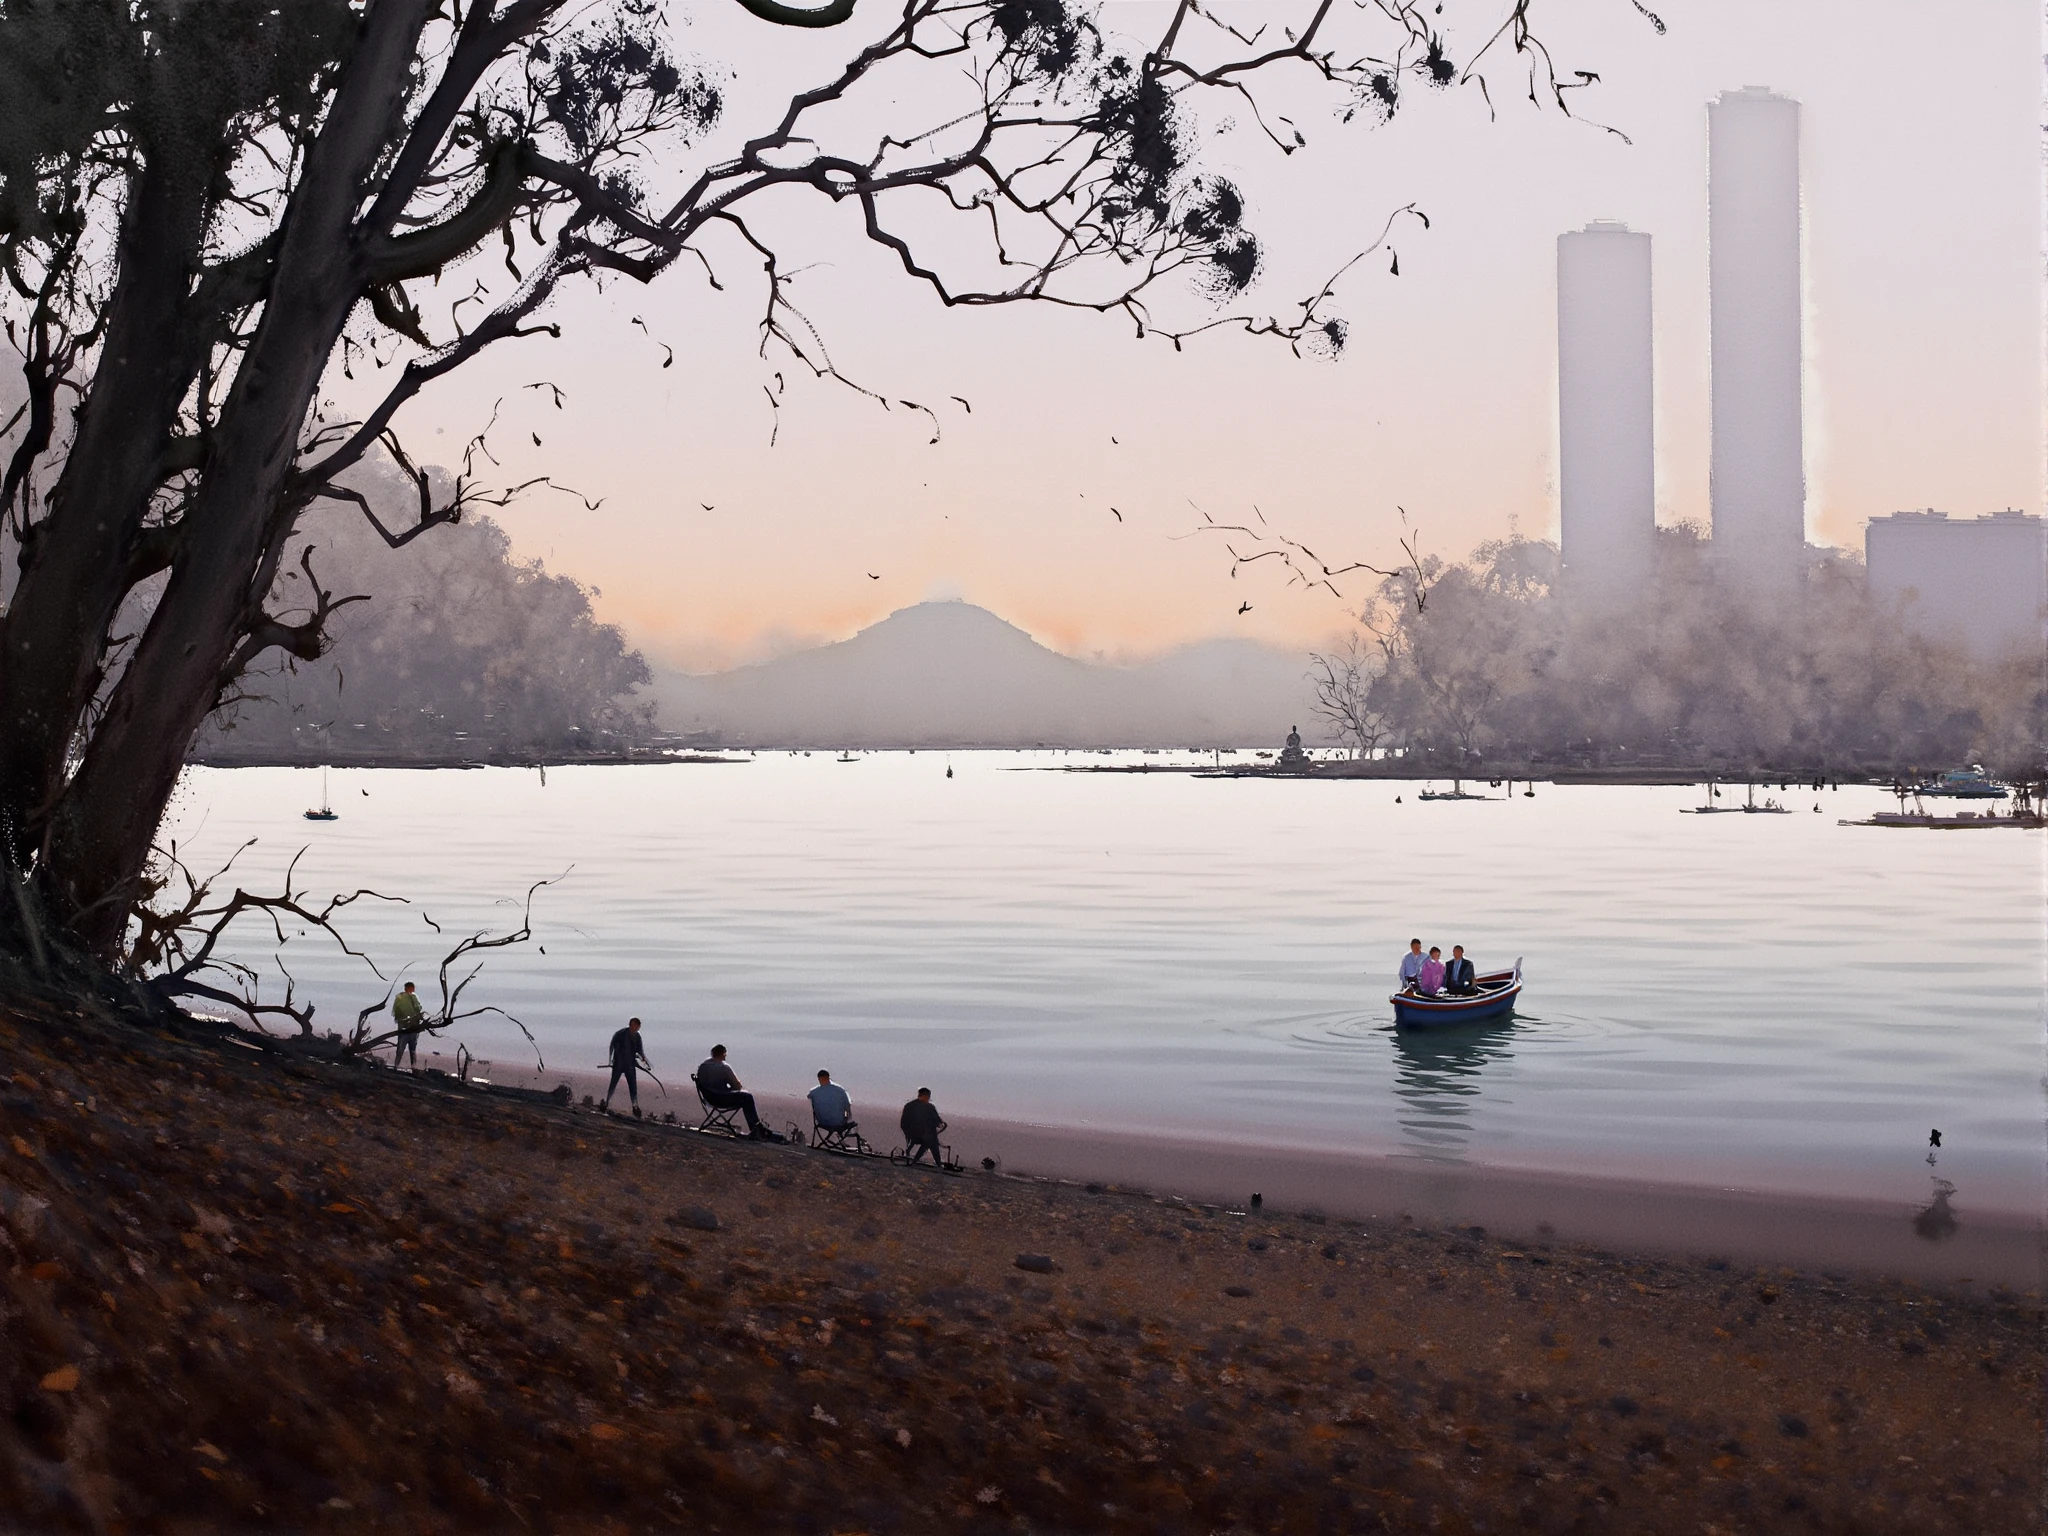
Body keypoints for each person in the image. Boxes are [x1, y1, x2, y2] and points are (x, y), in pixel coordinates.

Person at [694, 1044, 776, 1139]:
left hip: (708, 1098)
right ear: (723, 1054)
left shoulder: (703, 1066)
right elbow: (737, 1085)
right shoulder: (724, 1067)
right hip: (720, 1099)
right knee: (747, 1097)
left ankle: (757, 1128)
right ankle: (755, 1128)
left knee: (745, 1097)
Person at [603, 1017, 650, 1117]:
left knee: (633, 1086)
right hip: (619, 1064)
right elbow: (612, 1046)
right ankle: (607, 1103)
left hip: (630, 1065)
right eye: (636, 1027)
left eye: (638, 1027)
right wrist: (611, 1060)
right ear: (631, 1025)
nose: (637, 1029)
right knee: (613, 1084)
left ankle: (635, 1106)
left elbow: (640, 1050)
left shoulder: (637, 1037)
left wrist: (644, 1059)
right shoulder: (620, 1034)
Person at [900, 1087, 947, 1166]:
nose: (928, 1098)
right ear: (923, 1096)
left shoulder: (910, 1105)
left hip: (915, 1134)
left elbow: (937, 1121)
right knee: (931, 1141)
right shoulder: (927, 1107)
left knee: (931, 1140)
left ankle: (935, 1162)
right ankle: (934, 1163)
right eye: (928, 1096)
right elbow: (937, 1121)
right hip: (918, 1134)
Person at [391, 981, 425, 1069]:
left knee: (400, 1047)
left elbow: (395, 1011)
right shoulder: (414, 996)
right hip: (414, 1026)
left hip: (402, 1026)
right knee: (412, 1048)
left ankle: (396, 1065)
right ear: (411, 988)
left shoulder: (398, 997)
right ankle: (413, 1067)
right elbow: (419, 1008)